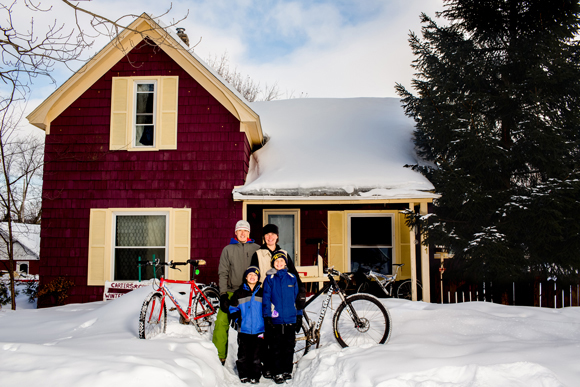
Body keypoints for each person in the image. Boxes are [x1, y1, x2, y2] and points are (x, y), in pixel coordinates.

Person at [250, 224, 306, 378]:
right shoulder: (258, 253)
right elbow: (253, 274)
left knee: (280, 338)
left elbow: (294, 275)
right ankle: (268, 366)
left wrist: (301, 292)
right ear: (264, 237)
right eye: (267, 234)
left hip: (283, 301)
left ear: (277, 237)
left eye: (273, 234)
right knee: (267, 336)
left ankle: (283, 367)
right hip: (264, 296)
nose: (270, 237)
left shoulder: (284, 254)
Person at [212, 220, 260, 365]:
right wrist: (223, 295)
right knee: (221, 321)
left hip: (251, 292)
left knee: (259, 324)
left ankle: (261, 359)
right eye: (240, 231)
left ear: (249, 233)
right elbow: (223, 273)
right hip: (233, 292)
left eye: (245, 231)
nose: (242, 233)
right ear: (235, 233)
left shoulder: (257, 249)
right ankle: (219, 357)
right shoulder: (228, 250)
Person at [262, 251, 303, 384]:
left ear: (285, 263)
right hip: (276, 320)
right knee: (276, 347)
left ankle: (287, 370)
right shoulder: (269, 279)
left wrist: (299, 316)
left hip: (290, 319)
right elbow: (266, 299)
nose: (279, 263)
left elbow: (297, 300)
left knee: (289, 346)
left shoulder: (292, 278)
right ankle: (277, 372)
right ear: (273, 264)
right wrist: (267, 317)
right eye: (276, 261)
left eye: (281, 261)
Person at [228, 266, 265, 384]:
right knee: (243, 353)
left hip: (259, 329)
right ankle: (244, 374)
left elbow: (267, 307)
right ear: (246, 277)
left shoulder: (262, 292)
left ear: (258, 278)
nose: (252, 277)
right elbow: (233, 308)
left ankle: (255, 375)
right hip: (244, 329)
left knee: (256, 354)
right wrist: (237, 319)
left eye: (255, 275)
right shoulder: (239, 293)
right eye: (250, 275)